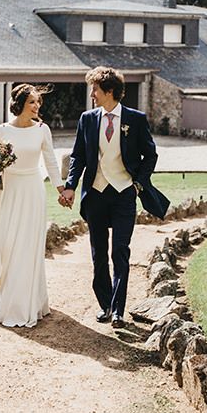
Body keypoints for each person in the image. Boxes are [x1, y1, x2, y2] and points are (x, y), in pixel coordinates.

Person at [61, 67, 169, 328]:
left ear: (109, 91)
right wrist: (70, 186)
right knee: (98, 254)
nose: (92, 94)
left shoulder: (136, 118)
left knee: (120, 251)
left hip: (124, 195)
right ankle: (106, 304)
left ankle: (119, 310)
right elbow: (78, 156)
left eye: (95, 89)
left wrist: (138, 186)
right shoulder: (87, 119)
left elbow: (150, 155)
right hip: (96, 194)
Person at [0, 84, 65, 327]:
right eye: (32, 102)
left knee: (26, 246)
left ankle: (23, 303)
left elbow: (51, 161)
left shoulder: (42, 130)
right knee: (7, 245)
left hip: (32, 191)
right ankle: (1, 296)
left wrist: (61, 189)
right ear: (20, 104)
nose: (37, 106)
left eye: (38, 102)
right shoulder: (2, 130)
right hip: (7, 192)